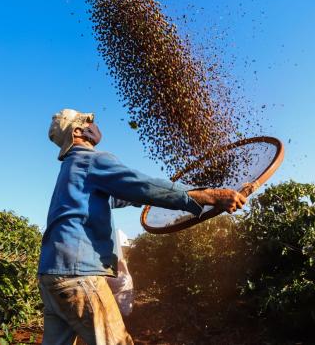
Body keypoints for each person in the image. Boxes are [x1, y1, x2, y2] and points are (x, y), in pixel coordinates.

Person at [38, 109, 246, 345]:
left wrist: (160, 199)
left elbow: (123, 194)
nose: (94, 126)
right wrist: (205, 195)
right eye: (88, 122)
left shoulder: (70, 168)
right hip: (78, 275)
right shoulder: (91, 159)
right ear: (78, 131)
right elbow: (141, 185)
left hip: (51, 274)